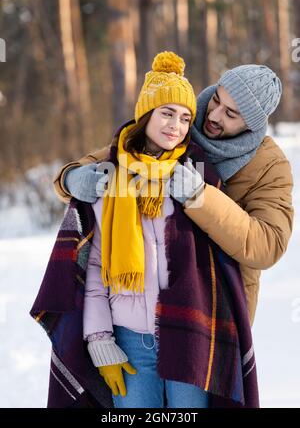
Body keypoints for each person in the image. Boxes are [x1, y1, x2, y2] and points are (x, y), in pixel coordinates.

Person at [31, 51, 258, 409]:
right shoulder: (109, 178)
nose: (176, 126)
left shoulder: (197, 177)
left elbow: (221, 266)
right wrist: (99, 338)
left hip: (191, 338)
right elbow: (94, 268)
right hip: (129, 342)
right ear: (146, 114)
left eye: (185, 118)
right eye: (167, 113)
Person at [54, 64, 294, 327]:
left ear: (251, 126)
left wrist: (200, 198)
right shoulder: (180, 120)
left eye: (230, 114)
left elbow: (267, 244)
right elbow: (116, 156)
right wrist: (70, 178)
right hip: (139, 308)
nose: (213, 115)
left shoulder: (270, 166)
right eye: (216, 99)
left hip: (216, 314)